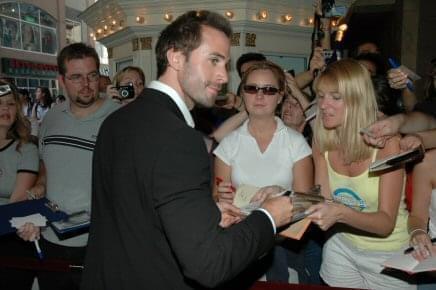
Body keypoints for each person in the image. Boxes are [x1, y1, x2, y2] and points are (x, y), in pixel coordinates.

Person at [81, 10, 294, 290]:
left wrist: (206, 213)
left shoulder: (116, 121)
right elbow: (208, 264)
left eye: (226, 64)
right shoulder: (180, 139)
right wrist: (268, 217)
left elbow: (139, 212)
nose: (223, 76)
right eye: (214, 60)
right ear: (175, 58)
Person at [18, 42, 120, 290]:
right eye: (76, 77)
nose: (86, 84)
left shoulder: (119, 119)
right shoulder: (52, 117)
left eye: (92, 76)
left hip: (99, 245)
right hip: (50, 240)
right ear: (61, 80)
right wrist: (39, 188)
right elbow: (46, 168)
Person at [306, 59, 415, 289]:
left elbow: (385, 223)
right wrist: (284, 196)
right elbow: (323, 201)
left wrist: (339, 213)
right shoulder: (322, 139)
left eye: (335, 97)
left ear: (358, 99)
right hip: (341, 246)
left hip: (388, 255)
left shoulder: (387, 143)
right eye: (321, 95)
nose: (323, 105)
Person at [213, 61, 313, 283]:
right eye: (252, 89)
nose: (259, 96)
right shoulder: (229, 144)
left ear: (280, 96)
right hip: (241, 238)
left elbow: (307, 203)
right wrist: (221, 196)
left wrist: (280, 194)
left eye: (268, 90)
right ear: (243, 94)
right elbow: (217, 197)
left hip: (285, 243)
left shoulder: (295, 143)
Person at [0, 80, 39, 290]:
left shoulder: (26, 149)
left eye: (10, 103)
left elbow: (16, 204)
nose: (5, 109)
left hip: (12, 242)